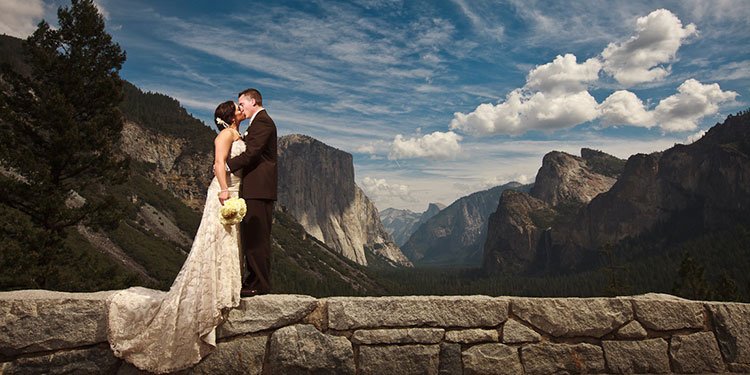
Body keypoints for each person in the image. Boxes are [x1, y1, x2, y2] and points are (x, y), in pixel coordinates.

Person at [106, 101, 247, 373]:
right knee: (215, 242)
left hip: (235, 191)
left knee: (228, 243)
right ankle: (212, 296)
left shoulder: (239, 134)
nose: (241, 109)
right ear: (230, 116)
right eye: (237, 107)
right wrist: (223, 191)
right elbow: (219, 163)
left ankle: (223, 289)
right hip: (225, 193)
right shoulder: (225, 135)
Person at [225, 88, 278, 297]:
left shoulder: (263, 122)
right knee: (252, 237)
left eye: (242, 104)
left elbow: (253, 153)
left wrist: (227, 166)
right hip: (255, 188)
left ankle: (260, 284)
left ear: (253, 101)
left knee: (258, 238)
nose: (240, 108)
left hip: (259, 189)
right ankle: (253, 279)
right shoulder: (256, 123)